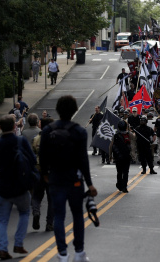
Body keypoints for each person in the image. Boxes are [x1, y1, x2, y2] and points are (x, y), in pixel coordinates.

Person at [40, 95, 97, 262]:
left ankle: (62, 253)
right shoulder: (79, 131)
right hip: (75, 180)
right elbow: (83, 160)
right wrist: (90, 183)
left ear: (57, 110)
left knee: (59, 216)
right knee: (78, 215)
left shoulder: (48, 130)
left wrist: (45, 175)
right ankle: (79, 252)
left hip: (56, 178)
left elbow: (43, 157)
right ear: (75, 110)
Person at [0, 115, 34, 260]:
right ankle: (18, 243)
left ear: (0, 128)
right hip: (20, 186)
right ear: (15, 127)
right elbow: (32, 159)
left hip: (2, 187)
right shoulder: (21, 142)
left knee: (2, 220)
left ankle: (2, 249)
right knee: (25, 212)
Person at [31, 117, 55, 232]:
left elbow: (32, 155)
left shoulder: (36, 139)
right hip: (51, 172)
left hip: (39, 170)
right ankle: (49, 223)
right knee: (52, 199)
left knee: (36, 195)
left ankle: (36, 212)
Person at [109, 120, 134, 193]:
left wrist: (110, 155)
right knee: (126, 172)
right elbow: (134, 138)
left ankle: (119, 185)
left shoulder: (115, 135)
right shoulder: (129, 134)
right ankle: (124, 187)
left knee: (119, 172)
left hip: (118, 157)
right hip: (126, 156)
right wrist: (129, 129)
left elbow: (111, 146)